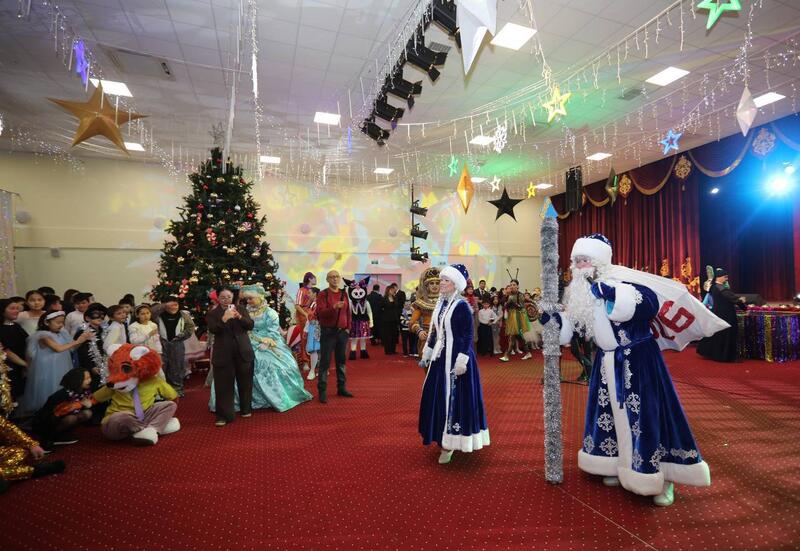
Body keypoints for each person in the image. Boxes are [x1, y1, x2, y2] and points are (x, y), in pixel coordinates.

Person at [544, 234, 715, 506]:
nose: (577, 266)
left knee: (646, 417)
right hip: (606, 363)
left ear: (599, 261)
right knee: (611, 416)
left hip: (637, 361)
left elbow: (648, 304)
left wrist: (613, 294)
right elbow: (574, 328)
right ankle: (617, 464)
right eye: (575, 261)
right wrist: (555, 322)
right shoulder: (581, 294)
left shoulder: (623, 281)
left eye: (584, 260)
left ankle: (661, 476)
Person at [418, 264, 490, 465]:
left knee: (455, 399)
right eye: (441, 280)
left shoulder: (461, 306)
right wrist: (428, 350)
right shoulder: (441, 304)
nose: (441, 283)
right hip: (440, 359)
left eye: (445, 280)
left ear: (455, 284)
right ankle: (440, 437)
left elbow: (467, 335)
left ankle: (451, 443)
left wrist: (461, 360)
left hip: (457, 360)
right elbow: (435, 331)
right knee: (437, 396)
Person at [211, 284, 312, 413]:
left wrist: (266, 343)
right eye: (247, 299)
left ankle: (276, 397)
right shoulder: (243, 310)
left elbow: (273, 332)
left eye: (251, 298)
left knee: (271, 364)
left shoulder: (270, 313)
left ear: (260, 297)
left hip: (268, 341)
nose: (248, 301)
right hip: (245, 341)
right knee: (237, 362)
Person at [18, 312, 94, 416]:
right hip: (48, 369)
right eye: (58, 322)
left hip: (62, 365)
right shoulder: (43, 336)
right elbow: (58, 348)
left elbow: (71, 348)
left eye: (62, 322)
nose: (61, 325)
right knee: (49, 388)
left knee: (62, 386)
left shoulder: (62, 333)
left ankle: (62, 411)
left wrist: (82, 339)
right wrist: (78, 341)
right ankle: (45, 414)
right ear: (46, 322)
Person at [206, 288, 254, 426]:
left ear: (233, 297)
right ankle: (224, 415)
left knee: (245, 383)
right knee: (223, 385)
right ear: (218, 298)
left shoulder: (241, 309)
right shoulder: (212, 313)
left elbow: (250, 325)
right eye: (223, 297)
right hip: (223, 353)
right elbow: (213, 329)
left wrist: (239, 317)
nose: (226, 299)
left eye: (228, 297)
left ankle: (246, 409)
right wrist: (224, 319)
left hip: (243, 351)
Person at [316, 270, 354, 403]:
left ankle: (341, 388)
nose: (335, 279)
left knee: (341, 361)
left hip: (342, 333)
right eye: (332, 277)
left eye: (337, 277)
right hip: (328, 332)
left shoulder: (344, 293)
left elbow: (348, 312)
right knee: (325, 362)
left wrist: (348, 328)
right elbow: (320, 313)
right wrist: (334, 307)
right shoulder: (323, 294)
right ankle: (322, 391)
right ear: (327, 279)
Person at [32, 368, 94, 447]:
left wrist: (86, 405)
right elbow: (52, 415)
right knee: (71, 418)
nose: (90, 380)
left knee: (87, 413)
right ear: (77, 380)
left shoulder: (84, 391)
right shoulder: (62, 395)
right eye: (87, 379)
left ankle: (65, 433)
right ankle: (53, 437)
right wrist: (78, 404)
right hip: (48, 422)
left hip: (64, 418)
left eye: (90, 377)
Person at [697, 268, 745, 362]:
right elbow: (733, 299)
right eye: (725, 277)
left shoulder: (714, 287)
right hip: (726, 315)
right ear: (719, 277)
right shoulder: (721, 288)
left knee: (717, 335)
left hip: (718, 313)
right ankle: (726, 356)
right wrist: (743, 305)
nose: (726, 279)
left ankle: (713, 353)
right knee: (727, 335)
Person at [156, 297, 196, 397]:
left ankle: (177, 389)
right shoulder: (158, 315)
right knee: (163, 366)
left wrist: (182, 336)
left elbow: (190, 327)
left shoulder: (183, 315)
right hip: (162, 344)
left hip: (177, 343)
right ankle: (163, 390)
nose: (173, 307)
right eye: (170, 305)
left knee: (177, 366)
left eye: (175, 305)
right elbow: (152, 312)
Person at [0, 298, 29, 401]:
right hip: (8, 367)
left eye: (17, 308)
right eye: (12, 308)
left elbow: (27, 342)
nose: (16, 311)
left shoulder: (16, 326)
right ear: (2, 310)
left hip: (21, 365)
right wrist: (25, 364)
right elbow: (6, 351)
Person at [410, 267, 441, 357]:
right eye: (431, 283)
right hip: (427, 337)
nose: (434, 286)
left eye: (437, 283)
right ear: (427, 285)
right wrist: (419, 331)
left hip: (444, 339)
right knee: (427, 363)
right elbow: (412, 322)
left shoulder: (447, 301)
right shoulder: (421, 302)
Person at [500, 280, 532, 362]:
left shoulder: (520, 295)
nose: (512, 286)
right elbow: (504, 305)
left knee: (513, 336)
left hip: (518, 317)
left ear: (517, 286)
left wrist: (513, 303)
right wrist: (506, 299)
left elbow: (521, 307)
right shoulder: (509, 295)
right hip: (512, 317)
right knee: (516, 336)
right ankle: (527, 353)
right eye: (511, 285)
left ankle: (507, 355)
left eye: (514, 284)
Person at [345, 276, 373, 360]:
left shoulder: (366, 302)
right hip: (354, 322)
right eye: (356, 293)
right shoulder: (351, 303)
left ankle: (363, 351)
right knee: (354, 339)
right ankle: (353, 352)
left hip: (364, 322)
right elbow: (348, 313)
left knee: (363, 338)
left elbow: (369, 312)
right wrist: (347, 323)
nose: (358, 294)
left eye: (360, 292)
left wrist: (371, 321)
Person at [294, 272, 316, 372]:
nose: (316, 280)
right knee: (305, 338)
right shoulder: (301, 290)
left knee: (314, 337)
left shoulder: (313, 291)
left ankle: (314, 359)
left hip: (313, 314)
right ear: (310, 279)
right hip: (304, 315)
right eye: (314, 278)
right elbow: (297, 305)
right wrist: (306, 314)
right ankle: (305, 361)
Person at [305, 287, 321, 380]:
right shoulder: (312, 304)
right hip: (312, 327)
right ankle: (314, 370)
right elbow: (309, 318)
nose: (308, 294)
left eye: (309, 293)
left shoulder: (319, 303)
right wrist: (306, 329)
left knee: (316, 349)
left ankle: (314, 370)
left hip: (318, 327)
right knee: (314, 349)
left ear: (315, 294)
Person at [381, 284, 401, 355]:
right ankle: (388, 350)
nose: (393, 291)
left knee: (394, 335)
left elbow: (397, 306)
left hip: (394, 319)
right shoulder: (384, 298)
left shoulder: (395, 298)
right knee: (387, 335)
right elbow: (381, 308)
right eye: (391, 290)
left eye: (393, 290)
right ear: (388, 290)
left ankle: (393, 350)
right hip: (386, 320)